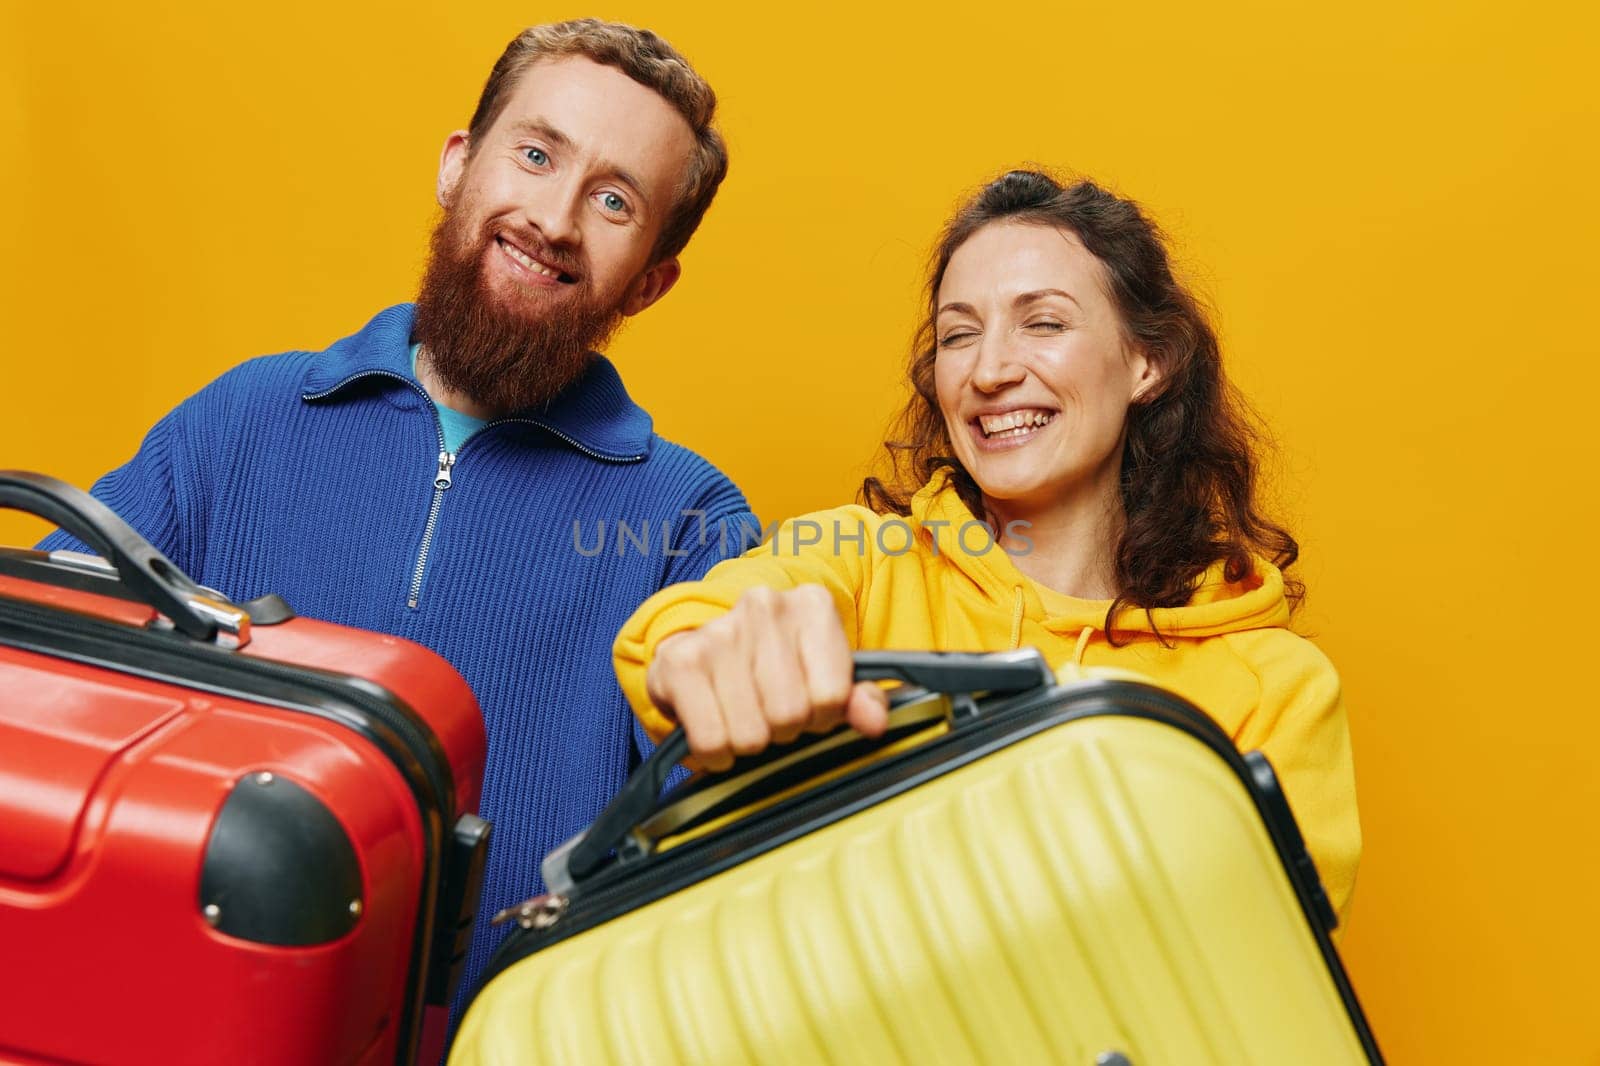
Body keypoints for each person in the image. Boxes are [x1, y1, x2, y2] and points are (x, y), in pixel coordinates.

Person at [39, 19, 758, 1009]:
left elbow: (726, 866)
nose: (552, 218)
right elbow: (42, 671)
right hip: (191, 1020)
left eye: (612, 200)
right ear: (458, 166)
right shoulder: (241, 420)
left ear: (651, 279)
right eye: (537, 153)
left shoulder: (688, 519)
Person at [614, 170, 1362, 920]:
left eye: (1043, 323)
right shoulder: (865, 561)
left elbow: (1257, 971)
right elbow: (690, 628)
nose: (990, 371)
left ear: (1148, 363)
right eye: (959, 335)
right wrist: (708, 654)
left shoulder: (1273, 688)